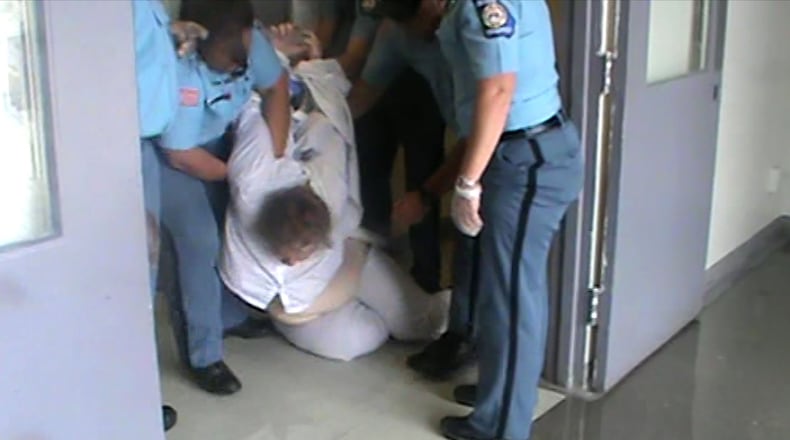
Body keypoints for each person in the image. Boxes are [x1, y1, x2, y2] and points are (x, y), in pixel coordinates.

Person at [368, 1, 584, 439]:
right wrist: (434, 191)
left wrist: (467, 184)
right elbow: (479, 125)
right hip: (522, 153)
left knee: (512, 303)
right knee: (502, 293)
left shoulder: (484, 5)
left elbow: (499, 91)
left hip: (526, 163)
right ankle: (499, 393)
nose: (425, 27)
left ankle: (502, 425)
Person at [218, 50, 449, 360]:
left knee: (419, 322)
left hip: (345, 256)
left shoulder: (329, 187)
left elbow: (329, 116)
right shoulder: (253, 184)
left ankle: (471, 309)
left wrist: (298, 67)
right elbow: (252, 109)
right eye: (291, 257)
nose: (294, 262)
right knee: (360, 337)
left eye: (300, 255)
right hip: (306, 303)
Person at [156, 0, 289, 396]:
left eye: (241, 64)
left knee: (230, 222)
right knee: (198, 240)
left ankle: (230, 316)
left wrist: (272, 160)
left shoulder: (250, 42)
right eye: (224, 65)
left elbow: (276, 88)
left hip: (216, 142)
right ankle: (204, 355)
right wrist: (239, 175)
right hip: (172, 155)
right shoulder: (181, 67)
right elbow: (180, 154)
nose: (236, 71)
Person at [132, 0, 207, 430]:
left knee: (145, 269)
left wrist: (168, 36)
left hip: (142, 143)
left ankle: (136, 391)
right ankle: (130, 398)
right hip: (115, 141)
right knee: (131, 276)